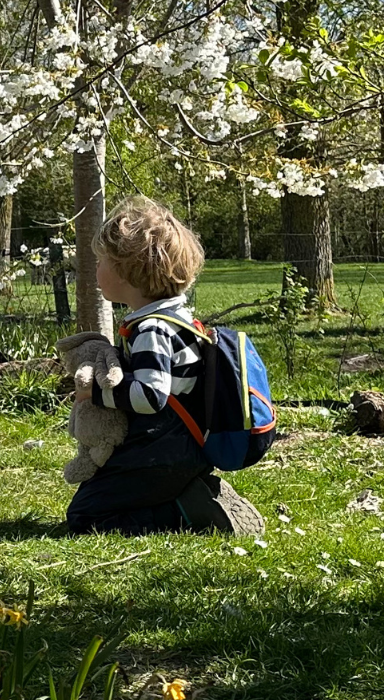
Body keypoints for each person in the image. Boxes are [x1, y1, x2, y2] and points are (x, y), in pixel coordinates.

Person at [66, 196, 265, 536]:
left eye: (102, 261)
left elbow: (150, 396)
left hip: (166, 449)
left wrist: (94, 393)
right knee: (97, 498)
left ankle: (186, 510)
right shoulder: (175, 318)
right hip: (180, 447)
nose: (95, 269)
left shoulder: (153, 330)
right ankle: (191, 492)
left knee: (86, 516)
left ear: (129, 272)